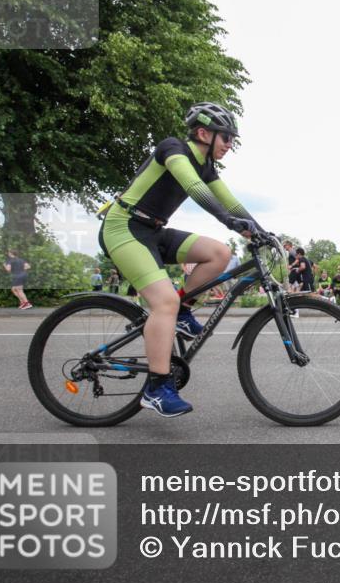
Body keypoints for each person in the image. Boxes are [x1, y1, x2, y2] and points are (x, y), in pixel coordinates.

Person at [97, 102, 261, 418]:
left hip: (154, 230)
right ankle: (157, 388)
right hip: (124, 228)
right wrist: (232, 224)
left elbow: (233, 204)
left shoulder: (206, 167)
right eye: (226, 138)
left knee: (219, 254)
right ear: (203, 132)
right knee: (164, 303)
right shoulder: (172, 149)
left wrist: (263, 233)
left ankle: (183, 311)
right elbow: (194, 188)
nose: (229, 145)